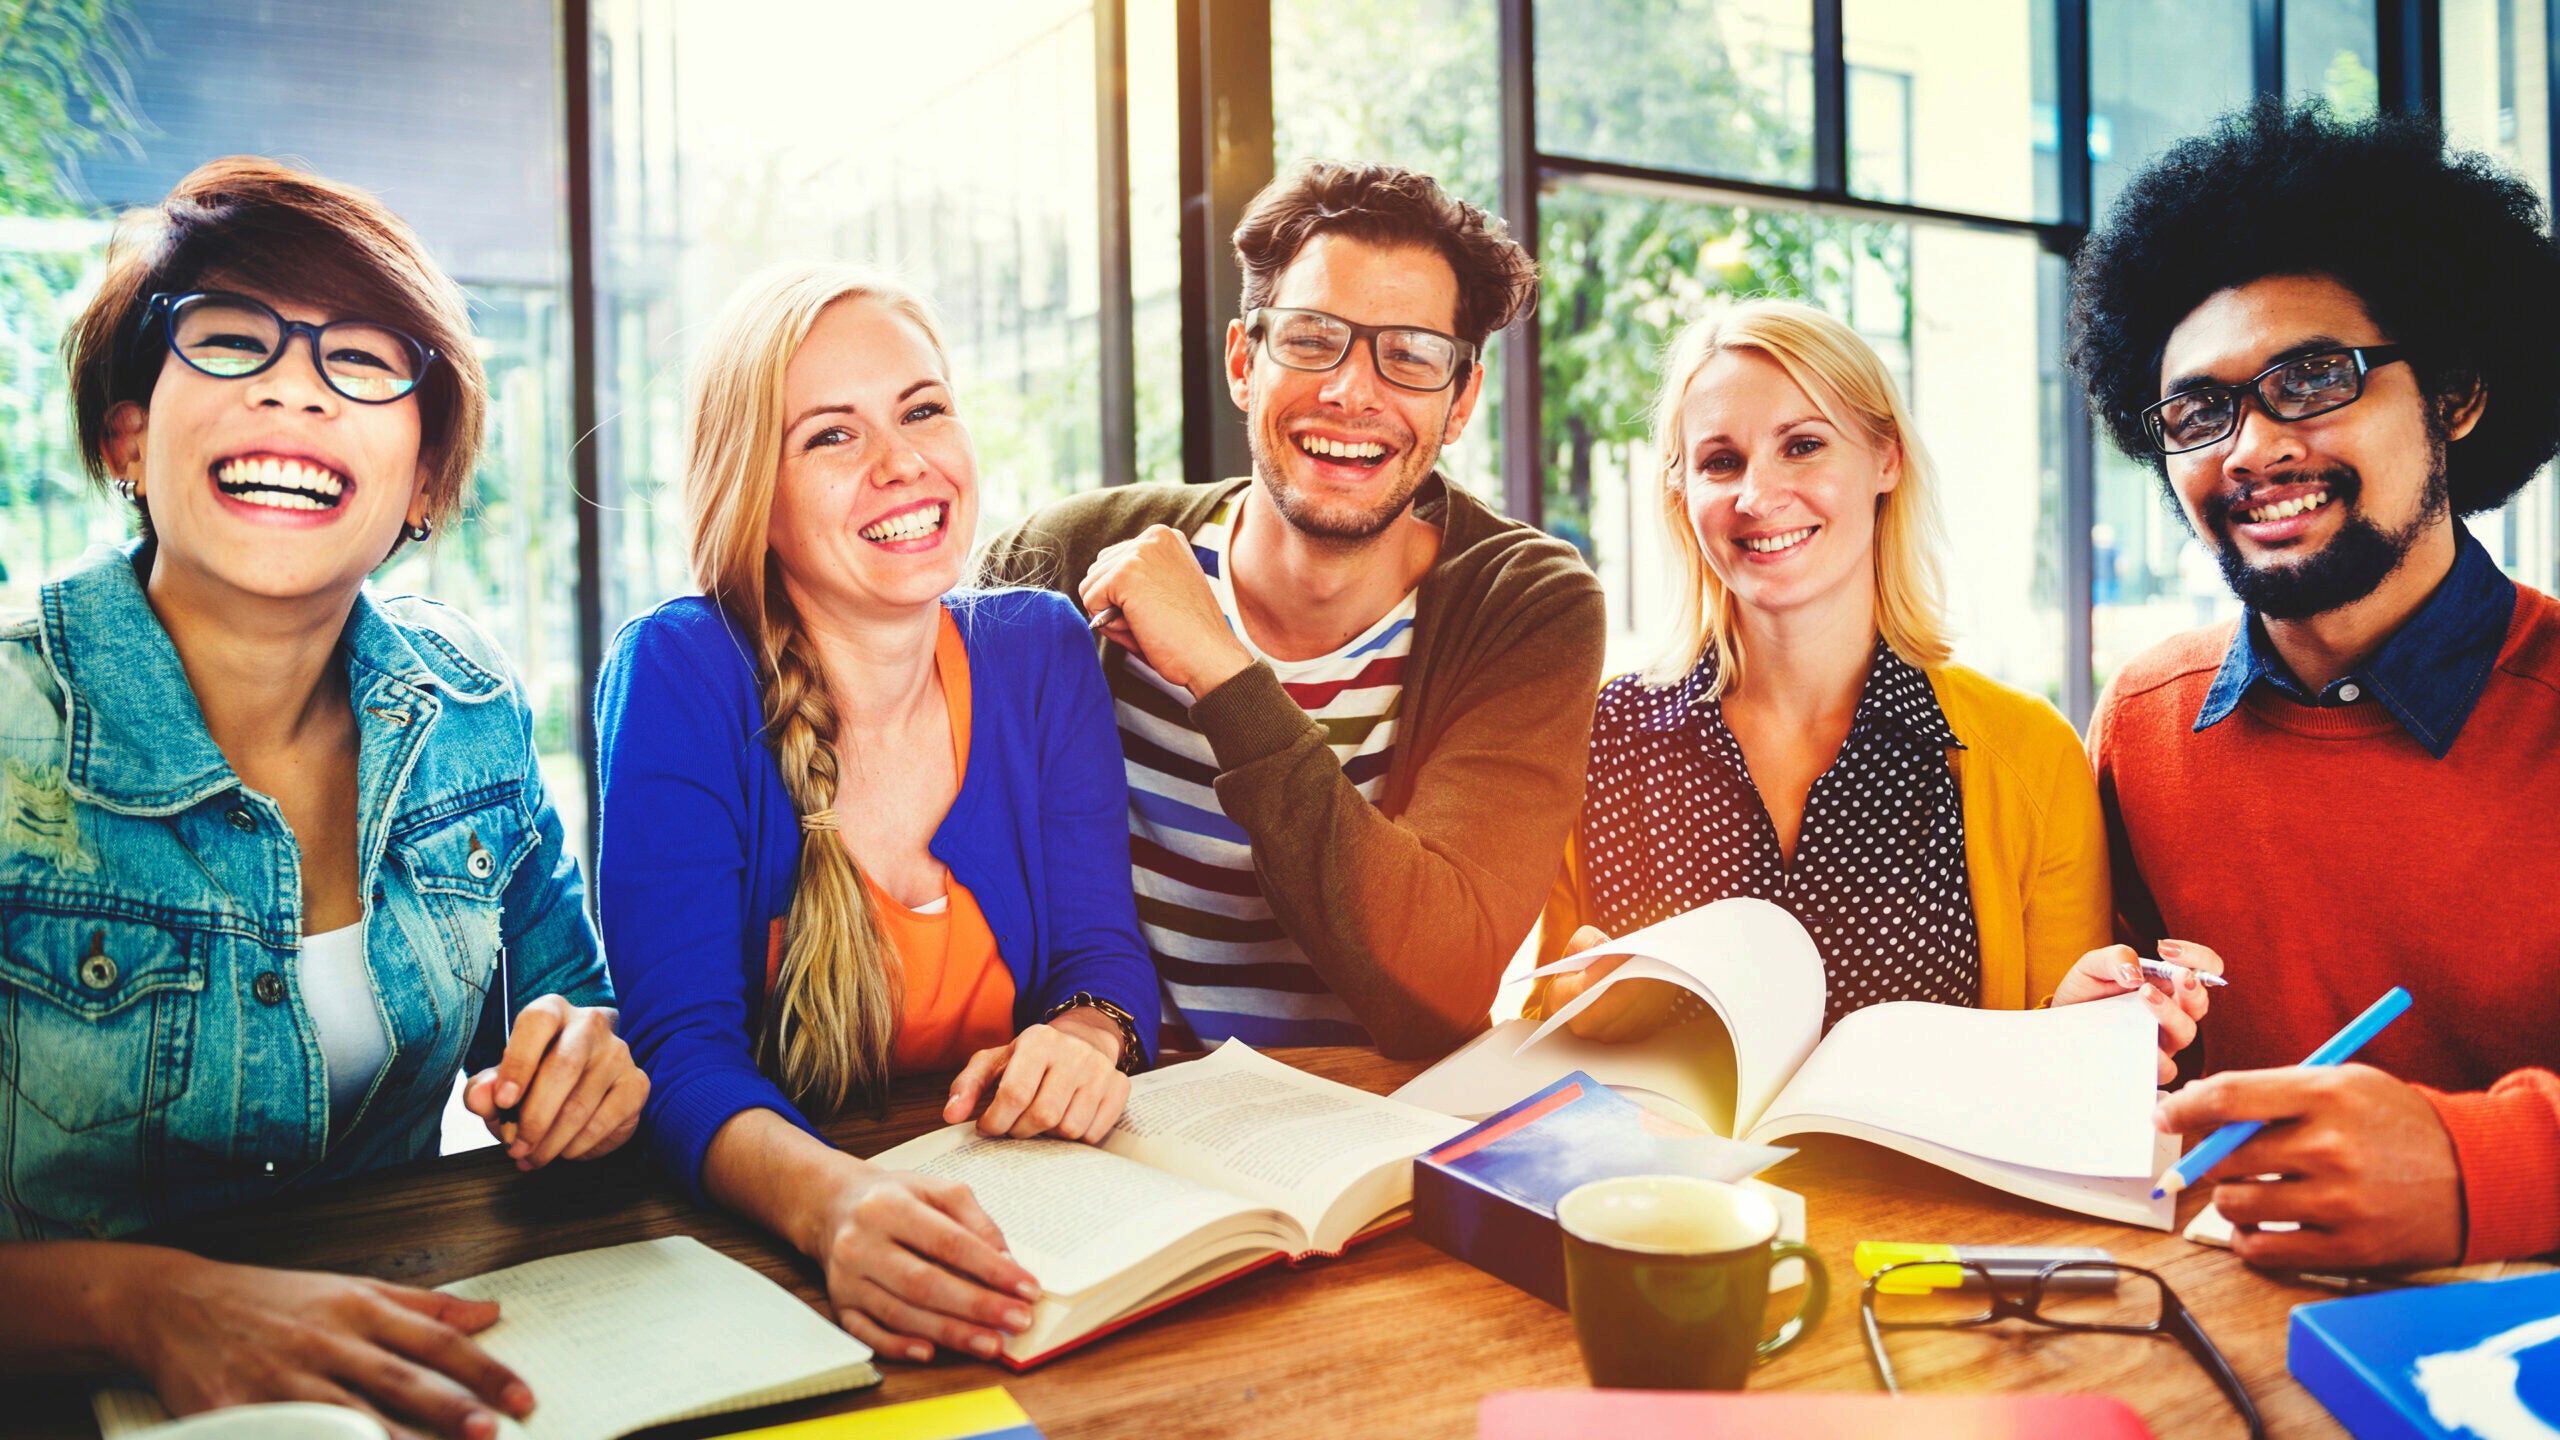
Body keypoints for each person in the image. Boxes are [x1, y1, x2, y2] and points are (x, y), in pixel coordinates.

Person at [0, 158, 642, 1439]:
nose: (294, 384)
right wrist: (146, 1307)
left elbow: (578, 1004)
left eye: (361, 360)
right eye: (231, 342)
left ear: (420, 483)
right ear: (130, 434)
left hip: (412, 1367)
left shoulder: (469, 710)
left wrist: (590, 1063)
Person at [595, 263, 1158, 1366]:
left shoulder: (1040, 650)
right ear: (751, 491)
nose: (904, 464)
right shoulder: (679, 672)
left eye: (923, 409)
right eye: (831, 437)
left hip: (1033, 1235)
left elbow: (1103, 949)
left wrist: (1089, 1036)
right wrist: (833, 1210)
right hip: (768, 1263)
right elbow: (678, 1054)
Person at [2071, 98, 2560, 1270]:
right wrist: (2093, 1034)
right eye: (2201, 410)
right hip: (2220, 1341)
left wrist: (2474, 1163)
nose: (2251, 448)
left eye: (2312, 379)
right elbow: (2120, 1064)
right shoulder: (2144, 723)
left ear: (2455, 395)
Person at [980, 160, 1607, 1058]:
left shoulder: (1524, 604)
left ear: (1461, 401)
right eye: (1313, 339)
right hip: (1100, 1120)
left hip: (1368, 1147)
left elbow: (1439, 989)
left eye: (1412, 356)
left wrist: (1223, 672)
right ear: (1244, 361)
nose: (1353, 392)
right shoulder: (1062, 560)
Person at [1534, 299, 2214, 1079]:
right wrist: (1568, 1013)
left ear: (1885, 459)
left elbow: (2056, 1066)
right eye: (1721, 461)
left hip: (1919, 1205)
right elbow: (1537, 1029)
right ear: (1681, 493)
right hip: (1660, 1197)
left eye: (1804, 445)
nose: (1758, 495)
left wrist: (2088, 1034)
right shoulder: (1597, 737)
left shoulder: (2026, 757)